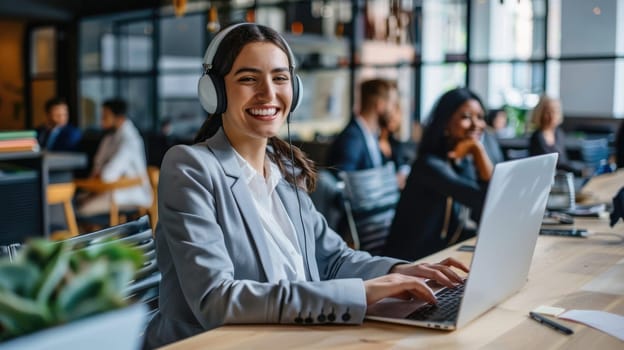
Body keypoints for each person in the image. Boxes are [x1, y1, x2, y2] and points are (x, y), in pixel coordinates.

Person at [144, 23, 468, 349]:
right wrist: (359, 294)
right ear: (215, 91)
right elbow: (217, 299)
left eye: (280, 78)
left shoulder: (285, 169)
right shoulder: (189, 167)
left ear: (294, 89)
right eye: (248, 78)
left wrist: (403, 271)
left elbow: (333, 259)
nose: (268, 93)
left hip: (293, 337)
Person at [384, 88, 494, 261]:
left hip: (441, 256)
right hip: (410, 265)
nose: (476, 124)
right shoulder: (429, 165)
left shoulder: (461, 162)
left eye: (480, 117)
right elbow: (485, 200)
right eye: (466, 117)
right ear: (445, 123)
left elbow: (487, 211)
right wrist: (478, 151)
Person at [77, 98, 152, 216]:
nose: (102, 120)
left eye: (105, 116)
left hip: (130, 195)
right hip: (108, 191)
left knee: (81, 211)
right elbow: (97, 165)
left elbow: (107, 176)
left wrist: (99, 175)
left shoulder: (130, 139)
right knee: (77, 203)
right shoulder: (109, 137)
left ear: (120, 118)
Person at [326, 78, 398, 174]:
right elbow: (343, 182)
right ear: (380, 105)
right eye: (392, 104)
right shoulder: (352, 138)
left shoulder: (371, 136)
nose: (394, 110)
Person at [528, 95, 583, 176]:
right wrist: (578, 172)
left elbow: (564, 161)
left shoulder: (559, 133)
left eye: (555, 111)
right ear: (540, 114)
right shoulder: (537, 137)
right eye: (548, 112)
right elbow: (554, 163)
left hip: (563, 177)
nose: (551, 116)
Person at [378, 102, 414, 189]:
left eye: (398, 112)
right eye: (392, 112)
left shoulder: (395, 144)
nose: (394, 117)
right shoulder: (372, 143)